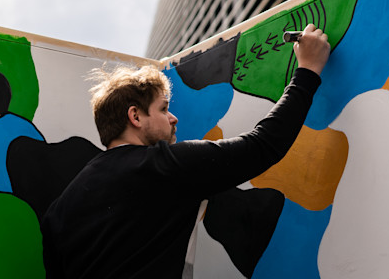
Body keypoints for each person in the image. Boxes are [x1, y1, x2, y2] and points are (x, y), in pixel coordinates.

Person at [41, 24, 331, 278]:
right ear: (135, 116)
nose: (173, 118)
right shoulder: (162, 166)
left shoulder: (59, 210)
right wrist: (307, 71)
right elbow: (263, 145)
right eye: (163, 109)